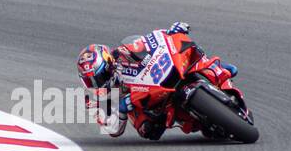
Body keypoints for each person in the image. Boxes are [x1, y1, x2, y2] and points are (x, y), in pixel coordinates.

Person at [76, 22, 237, 140]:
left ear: (109, 64)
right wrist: (122, 111)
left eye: (99, 78)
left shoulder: (122, 53)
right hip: (136, 103)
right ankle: (187, 117)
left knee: (188, 52)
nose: (98, 85)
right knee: (147, 131)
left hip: (153, 80)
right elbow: (111, 129)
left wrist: (171, 32)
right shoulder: (91, 99)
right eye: (91, 81)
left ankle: (216, 68)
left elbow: (150, 41)